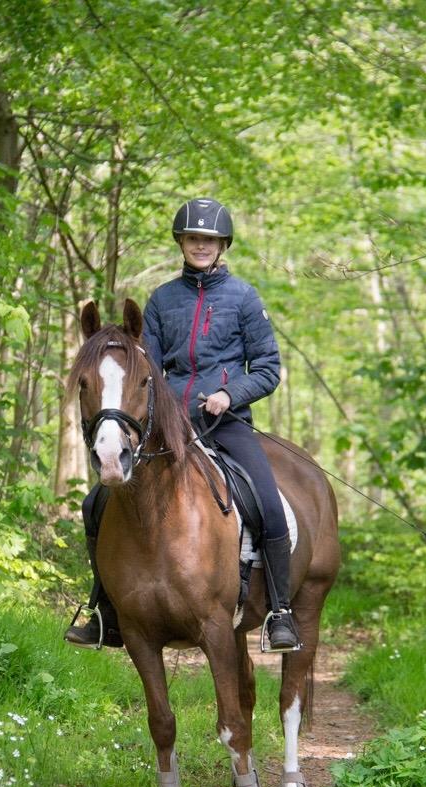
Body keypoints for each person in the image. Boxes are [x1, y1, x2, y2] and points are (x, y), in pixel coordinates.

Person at [65, 197, 300, 651]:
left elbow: (268, 368)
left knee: (268, 504)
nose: (201, 245)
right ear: (181, 242)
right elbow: (144, 367)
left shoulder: (244, 298)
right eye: (193, 238)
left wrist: (230, 394)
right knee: (96, 503)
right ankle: (104, 612)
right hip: (169, 425)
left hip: (226, 422)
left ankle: (280, 613)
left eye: (209, 239)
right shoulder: (162, 300)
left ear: (223, 244)